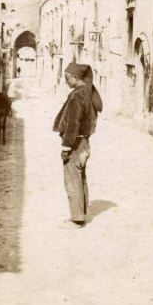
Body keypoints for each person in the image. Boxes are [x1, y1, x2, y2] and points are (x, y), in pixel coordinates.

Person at [52, 62, 103, 228]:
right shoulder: (86, 93)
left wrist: (66, 147)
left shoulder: (77, 96)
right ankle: (82, 212)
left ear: (76, 78)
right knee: (81, 178)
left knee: (72, 180)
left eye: (68, 78)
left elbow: (73, 123)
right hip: (85, 143)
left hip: (75, 144)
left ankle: (76, 219)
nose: (66, 81)